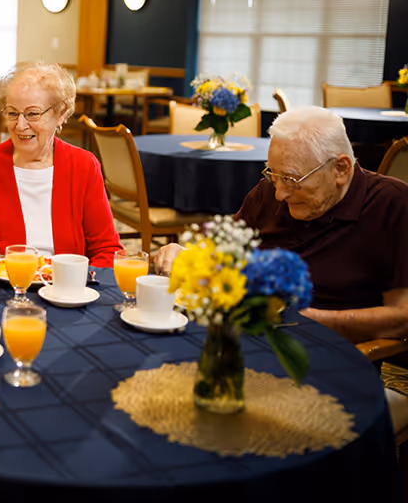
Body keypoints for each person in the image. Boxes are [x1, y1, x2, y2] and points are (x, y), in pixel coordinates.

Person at [153, 106, 408, 343]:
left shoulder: (392, 205)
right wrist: (185, 254)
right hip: (246, 337)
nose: (279, 194)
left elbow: (402, 318)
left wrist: (311, 321)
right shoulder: (269, 190)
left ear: (340, 169)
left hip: (327, 352)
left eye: (292, 179)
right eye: (273, 174)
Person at [0, 63, 122, 267]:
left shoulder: (84, 166)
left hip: (66, 291)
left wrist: (80, 282)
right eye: (12, 113)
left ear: (60, 114)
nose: (20, 125)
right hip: (0, 291)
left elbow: (106, 250)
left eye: (32, 114)